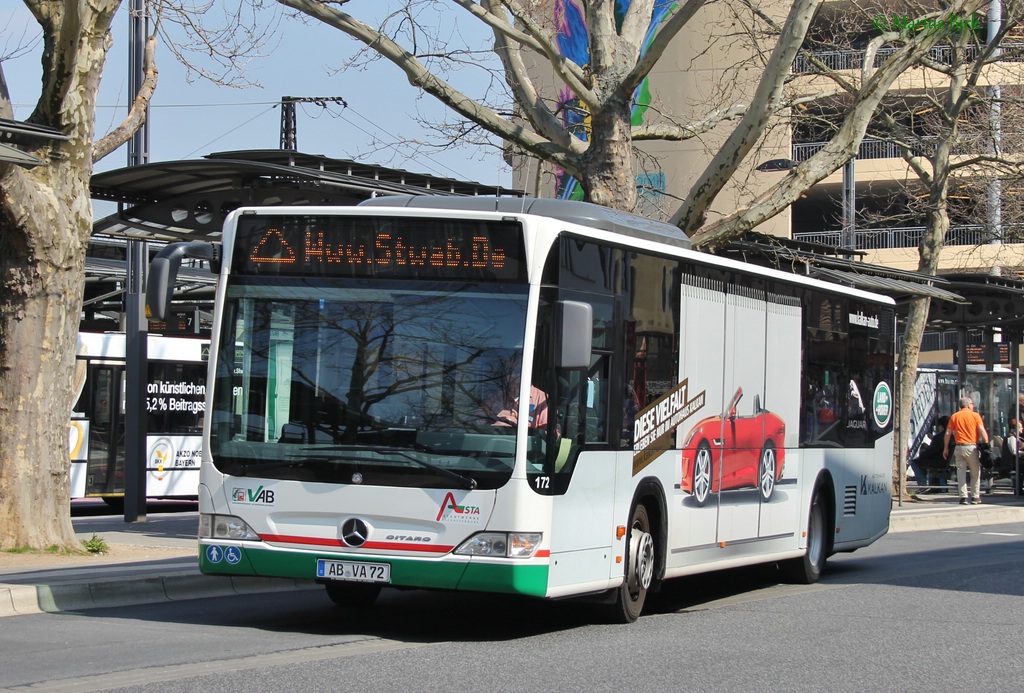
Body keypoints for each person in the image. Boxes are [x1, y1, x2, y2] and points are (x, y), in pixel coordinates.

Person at [944, 396, 990, 505]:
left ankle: (963, 497)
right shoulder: (975, 416)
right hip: (971, 447)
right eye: (972, 404)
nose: (973, 406)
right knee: (975, 473)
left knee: (961, 473)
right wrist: (986, 443)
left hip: (959, 447)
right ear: (969, 405)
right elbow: (981, 430)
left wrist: (945, 448)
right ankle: (975, 497)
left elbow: (947, 433)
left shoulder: (954, 416)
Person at [909, 415, 951, 493]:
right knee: (922, 460)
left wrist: (922, 455)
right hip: (945, 461)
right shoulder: (952, 436)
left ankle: (922, 485)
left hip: (937, 461)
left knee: (914, 462)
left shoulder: (939, 437)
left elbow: (931, 451)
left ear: (941, 426)